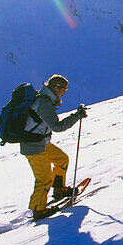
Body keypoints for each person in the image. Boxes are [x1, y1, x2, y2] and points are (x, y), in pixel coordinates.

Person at [20, 74, 87, 220]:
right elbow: (57, 126)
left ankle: (59, 190)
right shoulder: (44, 103)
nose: (65, 92)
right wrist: (77, 116)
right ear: (56, 88)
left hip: (40, 142)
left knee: (61, 159)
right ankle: (38, 209)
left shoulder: (45, 99)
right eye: (64, 89)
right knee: (44, 178)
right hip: (33, 146)